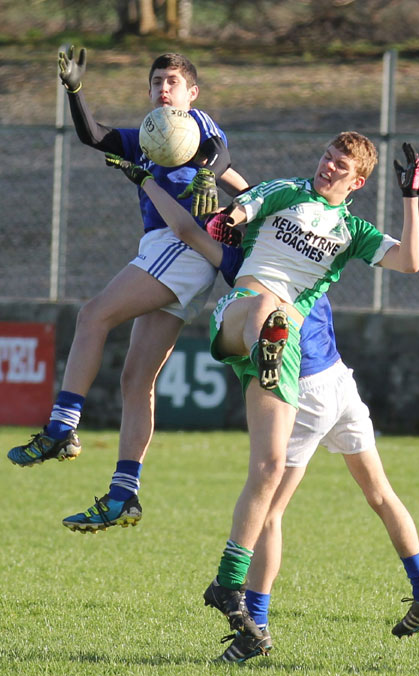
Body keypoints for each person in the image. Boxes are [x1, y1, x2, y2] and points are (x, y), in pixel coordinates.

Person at [103, 133, 419, 645]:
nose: (326, 167)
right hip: (243, 316)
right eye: (325, 156)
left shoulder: (352, 231)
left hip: (289, 353)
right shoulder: (284, 193)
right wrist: (225, 218)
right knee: (267, 310)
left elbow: (410, 262)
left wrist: (410, 199)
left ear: (357, 181)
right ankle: (266, 343)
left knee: (269, 470)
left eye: (339, 165)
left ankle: (229, 583)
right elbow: (232, 214)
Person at [7, 46, 249, 534]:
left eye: (173, 82)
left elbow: (220, 154)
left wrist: (208, 171)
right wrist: (75, 92)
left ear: (192, 92)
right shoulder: (148, 136)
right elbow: (93, 135)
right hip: (178, 255)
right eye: (156, 80)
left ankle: (62, 427)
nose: (163, 88)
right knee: (136, 381)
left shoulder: (196, 125)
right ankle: (124, 493)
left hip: (179, 248)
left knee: (93, 315)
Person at [217, 296, 419, 663]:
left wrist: (195, 237)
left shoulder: (261, 257)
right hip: (339, 380)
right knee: (381, 494)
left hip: (304, 389)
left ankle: (255, 630)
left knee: (268, 514)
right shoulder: (310, 248)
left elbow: (223, 257)